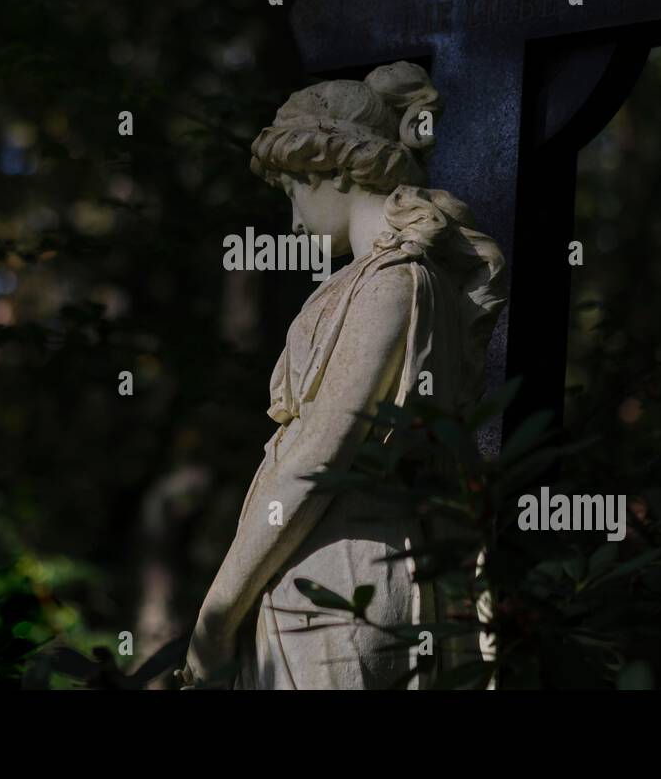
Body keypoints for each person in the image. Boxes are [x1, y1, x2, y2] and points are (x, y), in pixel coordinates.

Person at [178, 61, 505, 689]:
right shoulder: (378, 281)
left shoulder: (393, 282)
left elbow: (317, 456)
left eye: (292, 190)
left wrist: (217, 614)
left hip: (339, 582)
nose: (294, 220)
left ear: (333, 170)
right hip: (326, 571)